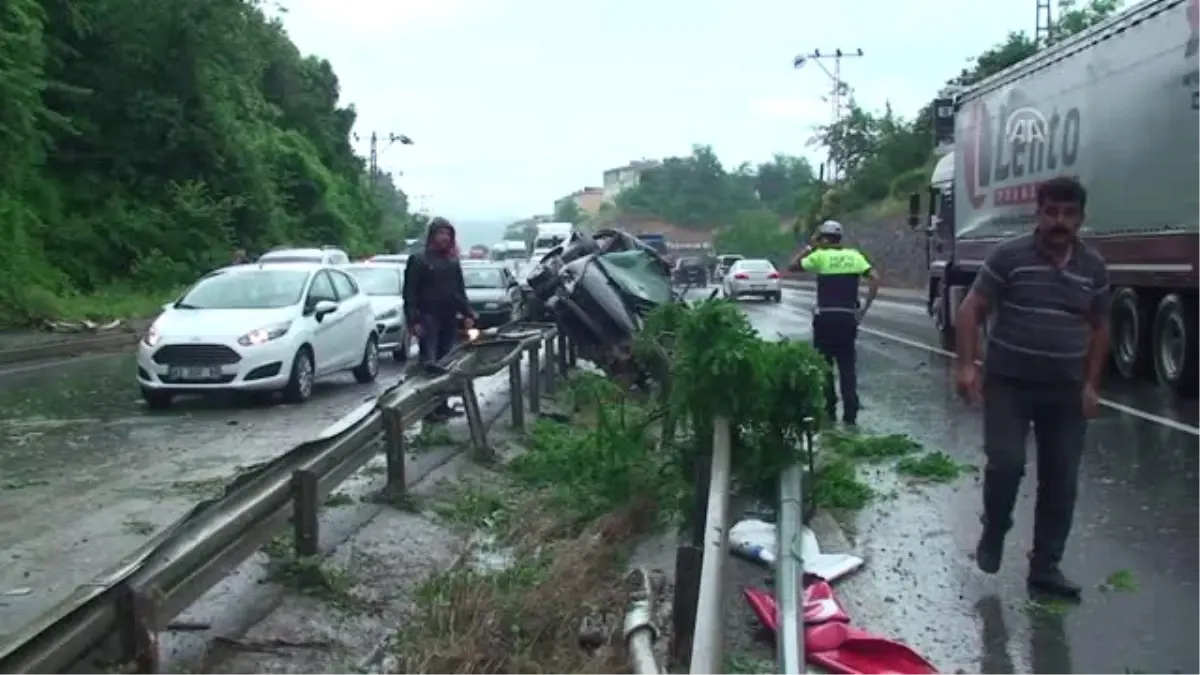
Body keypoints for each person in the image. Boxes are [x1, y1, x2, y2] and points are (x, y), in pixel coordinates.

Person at [953, 176, 1110, 599]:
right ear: (1038, 213)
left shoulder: (1092, 267)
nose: (1059, 221)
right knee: (1006, 465)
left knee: (1061, 481)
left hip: (1066, 391)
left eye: (1069, 213)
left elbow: (1101, 326)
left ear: (1081, 218)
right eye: (1051, 212)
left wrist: (1092, 385)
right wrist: (967, 365)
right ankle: (995, 528)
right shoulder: (1010, 256)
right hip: (1010, 386)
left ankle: (1046, 569)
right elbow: (972, 307)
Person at [789, 220, 880, 426]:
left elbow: (792, 266)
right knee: (847, 366)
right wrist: (864, 307)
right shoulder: (855, 256)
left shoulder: (819, 257)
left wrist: (810, 247)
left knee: (824, 365)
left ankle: (829, 408)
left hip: (825, 318)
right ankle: (850, 411)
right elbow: (875, 277)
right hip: (848, 318)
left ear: (823, 238)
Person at [403, 217, 475, 421]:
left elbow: (458, 291)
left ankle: (442, 404)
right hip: (427, 317)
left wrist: (468, 313)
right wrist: (413, 320)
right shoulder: (419, 260)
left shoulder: (452, 262)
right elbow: (410, 293)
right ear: (432, 236)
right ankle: (427, 409)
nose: (444, 238)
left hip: (448, 317)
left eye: (447, 234)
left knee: (446, 362)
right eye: (440, 233)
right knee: (429, 361)